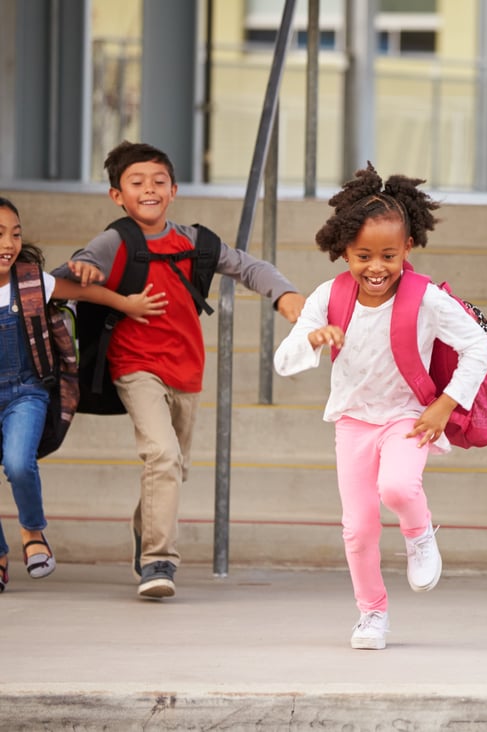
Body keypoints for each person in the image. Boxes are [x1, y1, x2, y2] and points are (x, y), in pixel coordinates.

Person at [53, 141, 306, 600]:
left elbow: (249, 266)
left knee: (174, 467)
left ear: (174, 189)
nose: (148, 189)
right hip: (135, 367)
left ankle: (144, 527)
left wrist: (284, 295)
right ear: (117, 196)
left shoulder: (195, 242)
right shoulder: (115, 241)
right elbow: (63, 278)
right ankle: (157, 561)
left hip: (187, 370)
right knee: (163, 457)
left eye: (157, 181)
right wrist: (88, 272)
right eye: (136, 183)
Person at [274, 164, 487, 651]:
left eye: (389, 255)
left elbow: (479, 346)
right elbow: (284, 362)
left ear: (408, 247)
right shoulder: (329, 296)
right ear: (344, 250)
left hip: (407, 417)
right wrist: (312, 337)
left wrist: (444, 405)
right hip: (353, 422)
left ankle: (418, 533)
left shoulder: (427, 298)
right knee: (357, 529)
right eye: (362, 255)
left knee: (397, 487)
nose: (376, 267)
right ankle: (372, 613)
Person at [0, 197, 165, 592]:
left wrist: (128, 303)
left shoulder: (31, 280)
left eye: (15, 234)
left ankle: (32, 532)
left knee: (18, 463)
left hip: (26, 390)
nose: (8, 243)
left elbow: (86, 293)